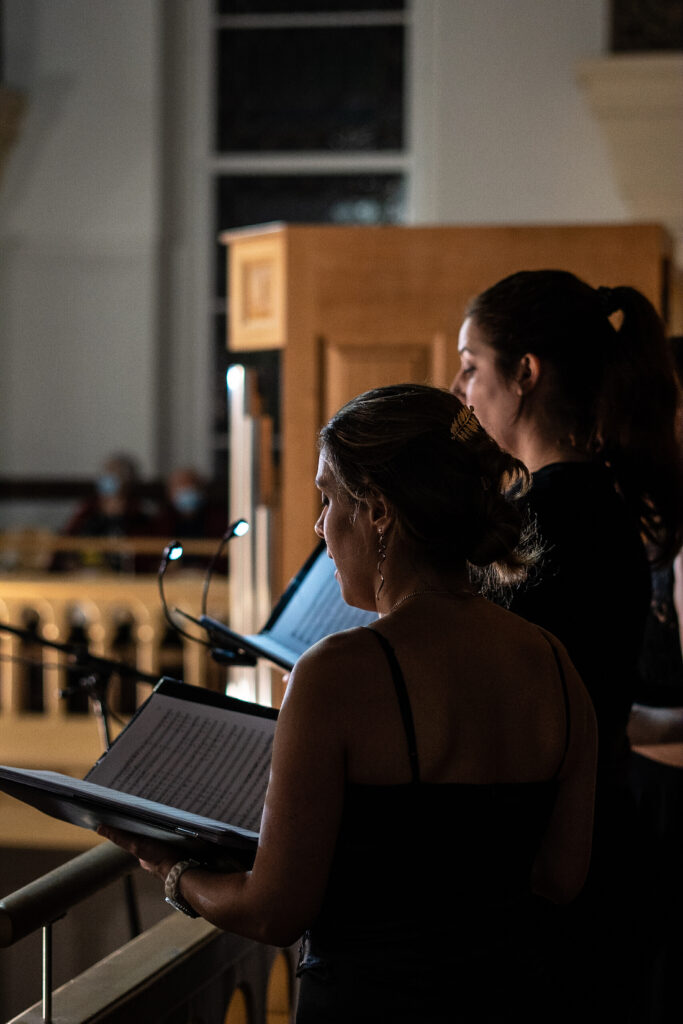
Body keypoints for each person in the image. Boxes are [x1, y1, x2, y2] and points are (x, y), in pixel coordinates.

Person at [99, 384, 597, 1023]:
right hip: (511, 1001)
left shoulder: (337, 674)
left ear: (380, 512)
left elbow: (274, 911)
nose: (319, 526)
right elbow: (561, 877)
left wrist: (172, 870)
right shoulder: (553, 662)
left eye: (328, 498)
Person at [452, 270, 683, 1020]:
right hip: (592, 837)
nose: (460, 386)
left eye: (470, 365)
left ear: (523, 373)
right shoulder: (581, 504)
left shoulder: (547, 523)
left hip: (553, 859)